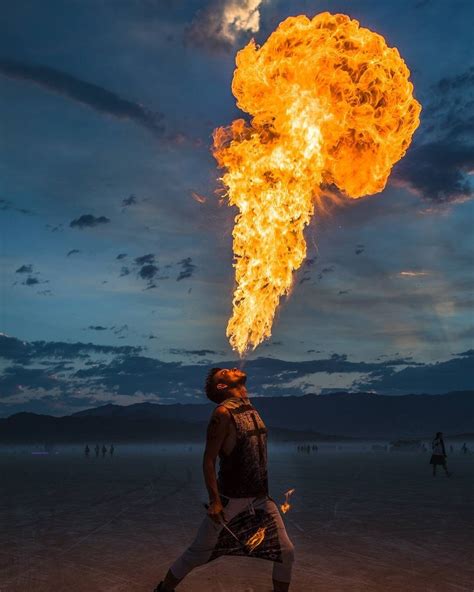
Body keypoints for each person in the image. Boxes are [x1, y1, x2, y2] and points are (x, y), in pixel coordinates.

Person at [154, 367, 295, 592]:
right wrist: (215, 501)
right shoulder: (222, 414)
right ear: (222, 386)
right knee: (196, 555)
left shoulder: (249, 406)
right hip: (230, 501)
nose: (231, 369)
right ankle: (163, 590)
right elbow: (208, 460)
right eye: (225, 373)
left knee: (286, 552)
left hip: (260, 498)